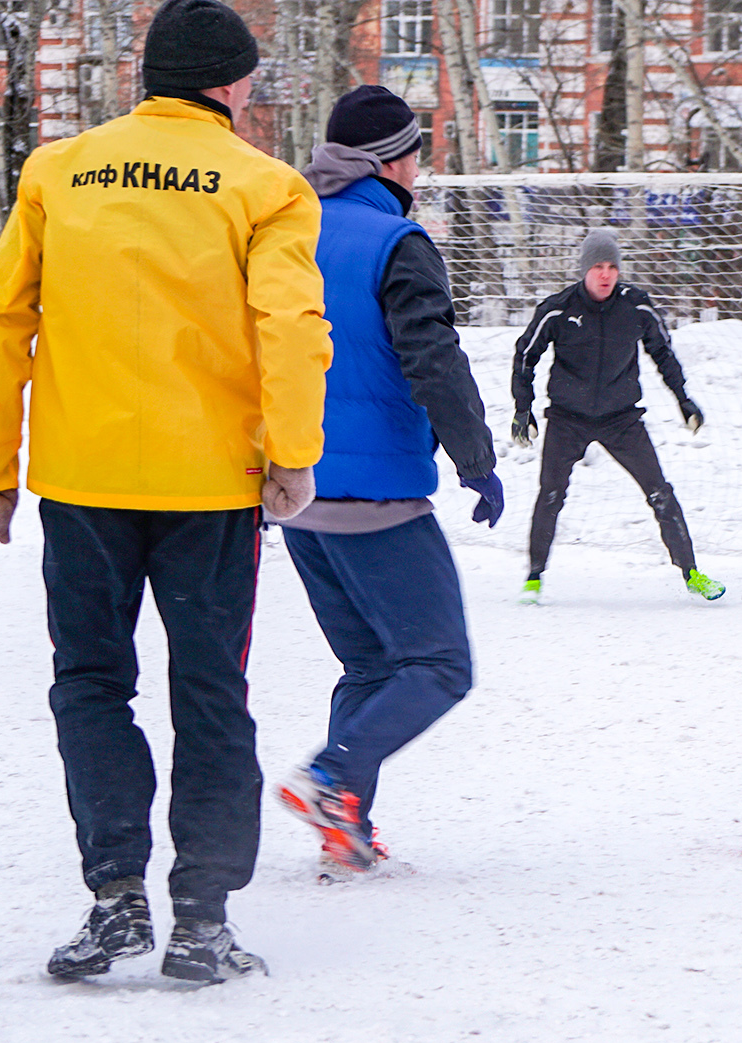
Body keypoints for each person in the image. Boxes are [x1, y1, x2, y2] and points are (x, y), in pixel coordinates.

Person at [0, 0, 331, 984]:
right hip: (208, 485)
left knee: (89, 683)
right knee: (210, 691)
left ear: (150, 74)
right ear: (233, 83)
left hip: (82, 483)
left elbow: (0, 320)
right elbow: (288, 323)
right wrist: (292, 452)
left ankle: (114, 894)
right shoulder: (267, 186)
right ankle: (201, 919)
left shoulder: (59, 171)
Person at [271, 86, 501, 880]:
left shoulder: (285, 228)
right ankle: (331, 778)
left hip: (296, 494)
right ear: (390, 161)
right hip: (378, 500)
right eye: (414, 153)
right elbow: (433, 356)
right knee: (439, 665)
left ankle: (345, 831)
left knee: (369, 668)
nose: (419, 168)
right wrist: (476, 459)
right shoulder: (397, 241)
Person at [510, 229, 724, 603]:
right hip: (567, 418)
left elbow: (664, 354)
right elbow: (525, 356)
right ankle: (533, 577)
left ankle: (692, 573)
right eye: (597, 267)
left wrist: (684, 400)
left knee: (659, 492)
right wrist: (522, 408)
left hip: (621, 418)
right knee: (550, 495)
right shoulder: (559, 309)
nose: (606, 274)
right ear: (584, 270)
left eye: (612, 266)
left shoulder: (636, 306)